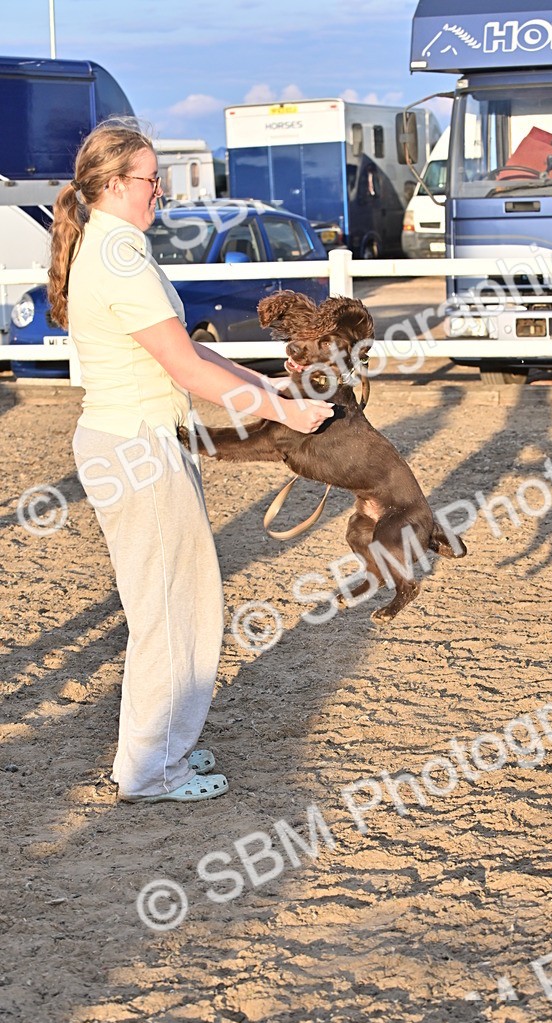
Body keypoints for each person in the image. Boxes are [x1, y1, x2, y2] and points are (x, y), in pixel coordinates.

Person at [48, 119, 333, 805]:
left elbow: (188, 350)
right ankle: (151, 770)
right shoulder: (119, 256)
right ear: (115, 183)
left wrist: (268, 385)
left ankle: (161, 749)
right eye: (152, 179)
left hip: (139, 440)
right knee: (173, 611)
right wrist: (282, 412)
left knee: (173, 604)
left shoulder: (114, 245)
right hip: (139, 446)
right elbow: (183, 366)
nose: (161, 192)